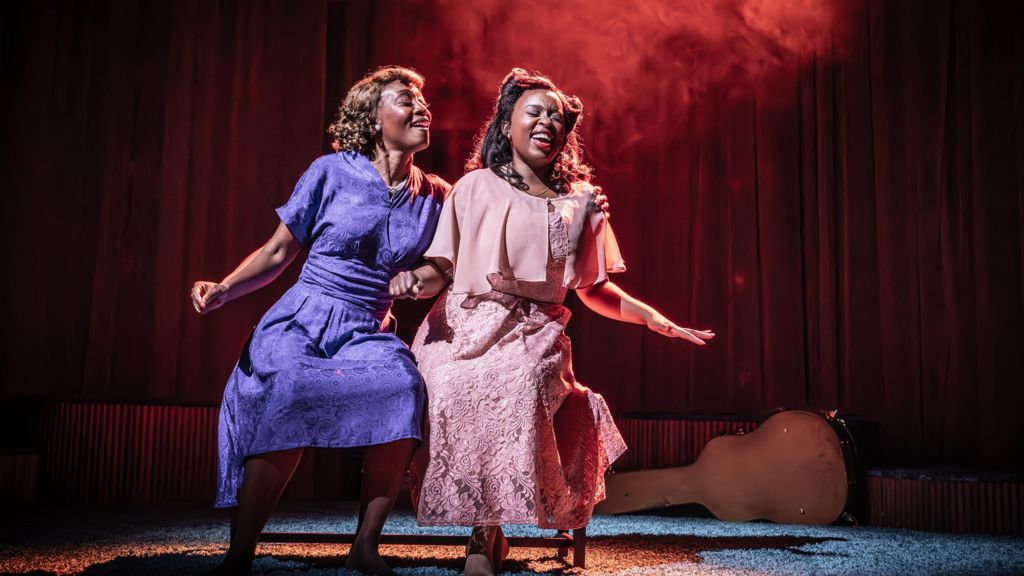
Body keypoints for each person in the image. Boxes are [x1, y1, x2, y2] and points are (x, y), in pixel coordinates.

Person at [391, 68, 715, 576]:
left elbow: (594, 290)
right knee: (447, 381)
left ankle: (482, 540)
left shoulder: (581, 201)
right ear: (506, 124)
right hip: (463, 322)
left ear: (564, 135)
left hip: (532, 330)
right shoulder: (474, 187)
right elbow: (443, 268)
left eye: (557, 117)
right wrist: (415, 279)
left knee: (518, 383)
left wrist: (656, 321)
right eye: (534, 111)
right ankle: (488, 534)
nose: (547, 121)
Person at [190, 66, 447, 576]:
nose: (423, 110)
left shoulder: (437, 194)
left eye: (423, 103)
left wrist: (421, 276)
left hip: (368, 326)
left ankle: (365, 547)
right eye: (406, 101)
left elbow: (445, 264)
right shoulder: (330, 172)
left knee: (402, 387)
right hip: (304, 316)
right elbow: (279, 250)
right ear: (373, 117)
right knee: (285, 387)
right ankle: (241, 549)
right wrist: (223, 288)